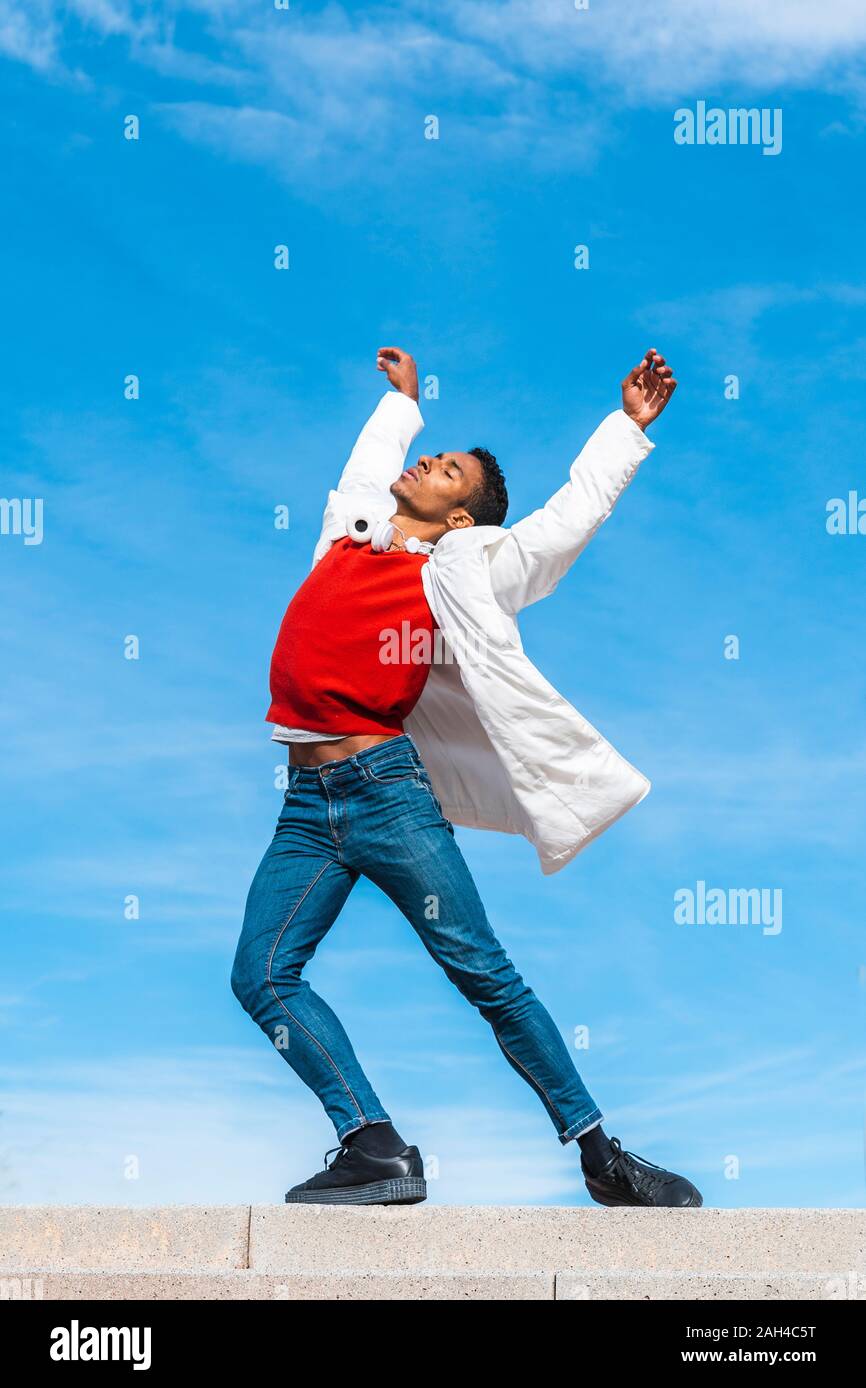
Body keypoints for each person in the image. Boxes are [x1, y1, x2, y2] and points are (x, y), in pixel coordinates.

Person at [231, 345, 702, 1208]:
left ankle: (602, 1153)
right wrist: (403, 406)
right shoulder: (348, 535)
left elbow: (562, 525)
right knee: (260, 974)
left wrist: (626, 430)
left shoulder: (464, 571)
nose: (427, 463)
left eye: (447, 469)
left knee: (484, 973)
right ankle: (372, 1145)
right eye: (433, 454)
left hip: (388, 796)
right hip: (305, 807)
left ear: (461, 519)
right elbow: (366, 468)